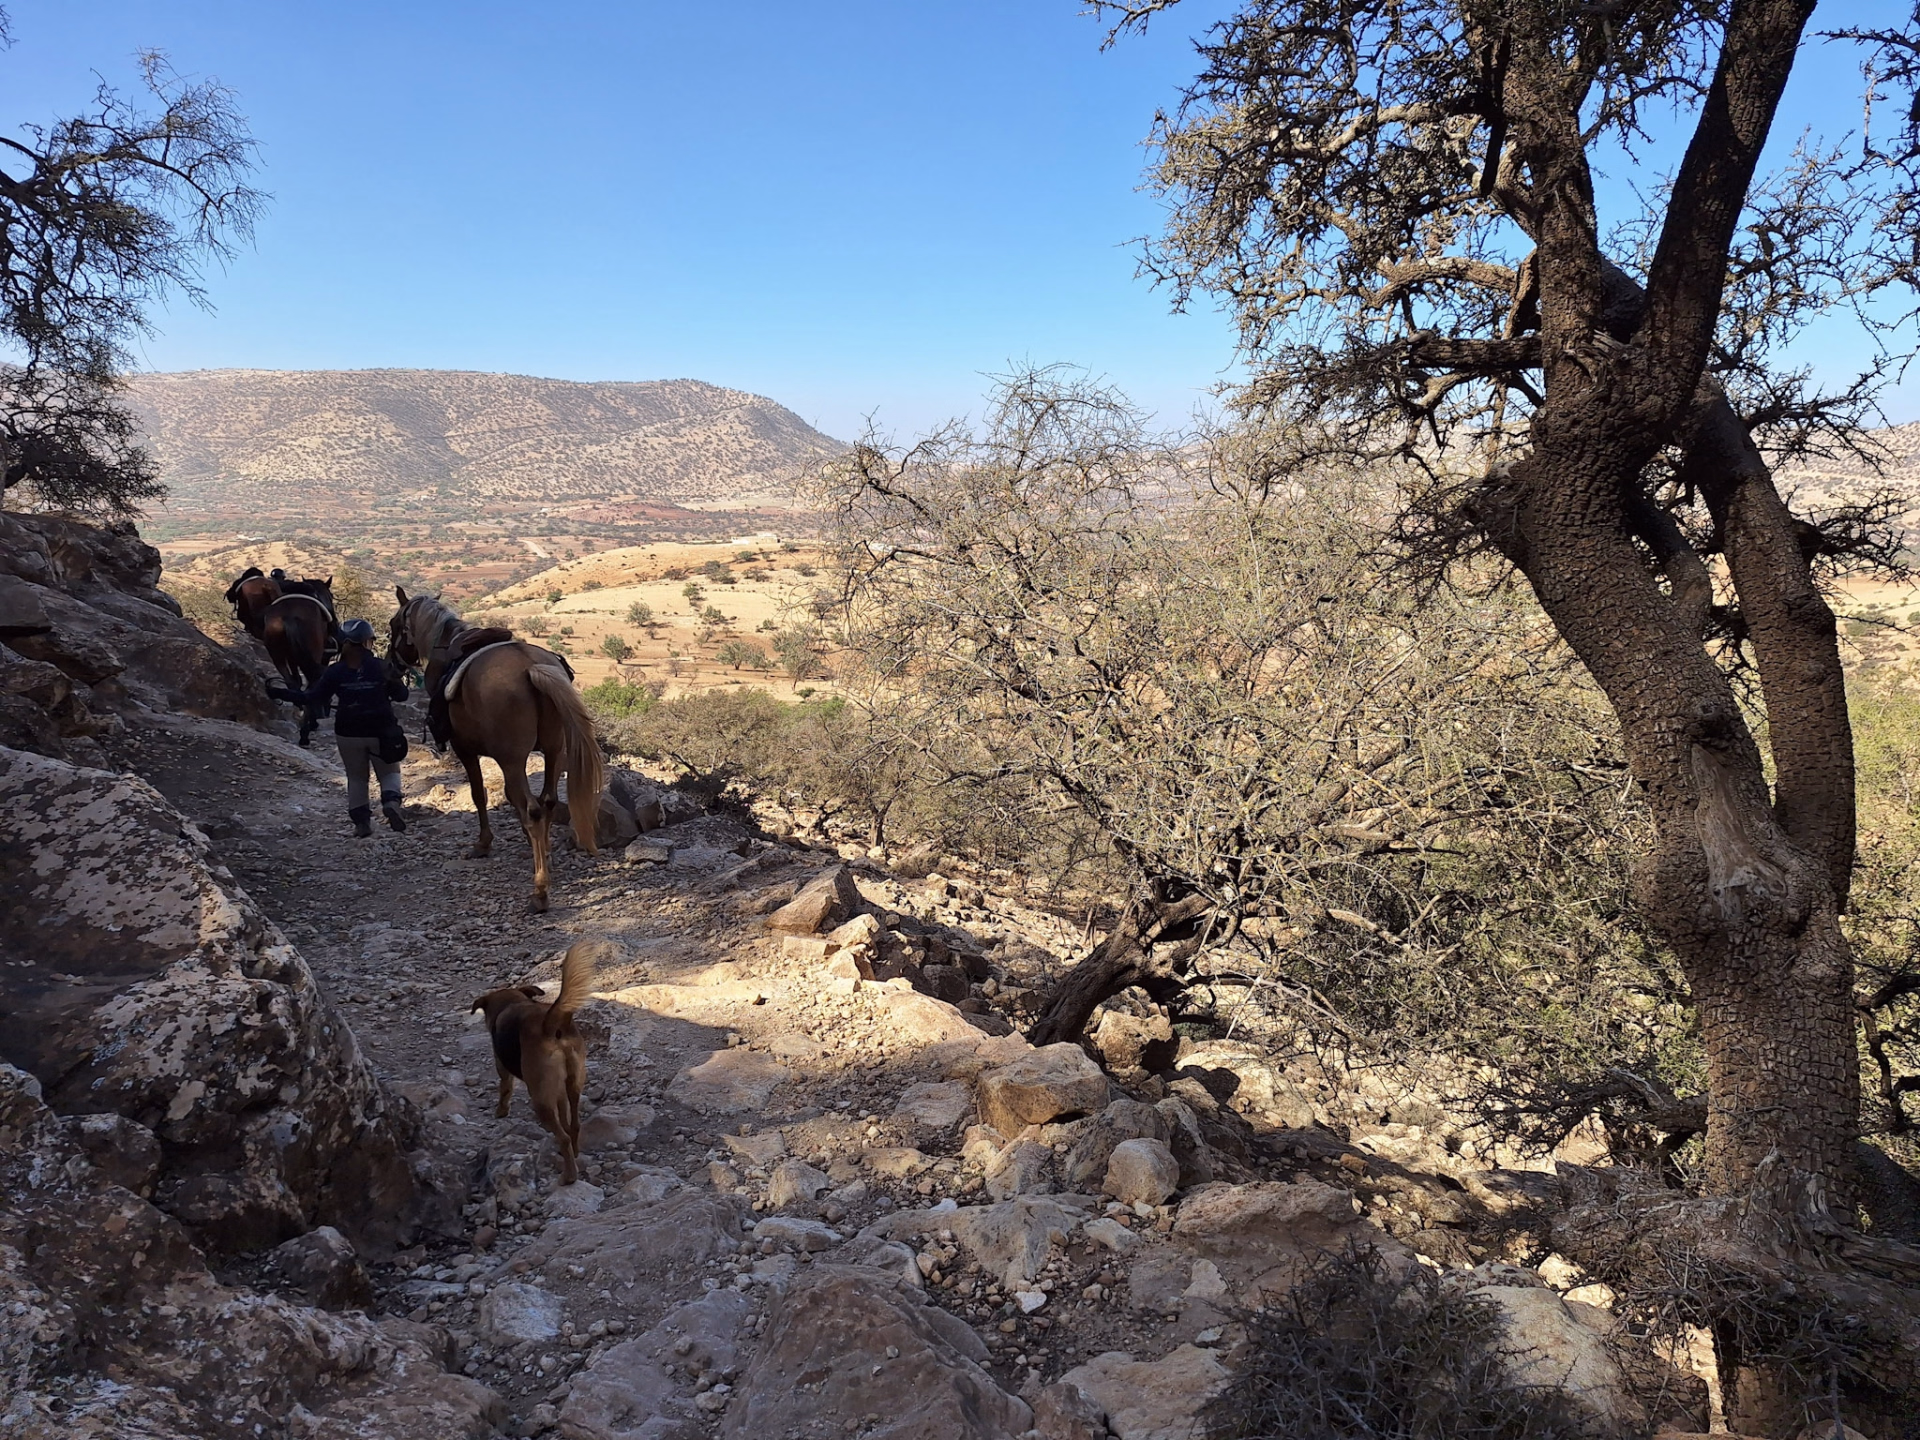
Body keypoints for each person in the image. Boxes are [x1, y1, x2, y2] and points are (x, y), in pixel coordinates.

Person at [268, 618, 411, 837]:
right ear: (366, 642)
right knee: (389, 771)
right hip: (381, 729)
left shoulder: (335, 671)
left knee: (356, 777)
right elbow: (402, 696)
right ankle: (391, 802)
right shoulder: (381, 666)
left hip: (348, 730)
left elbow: (312, 698)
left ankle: (361, 823)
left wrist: (279, 692)